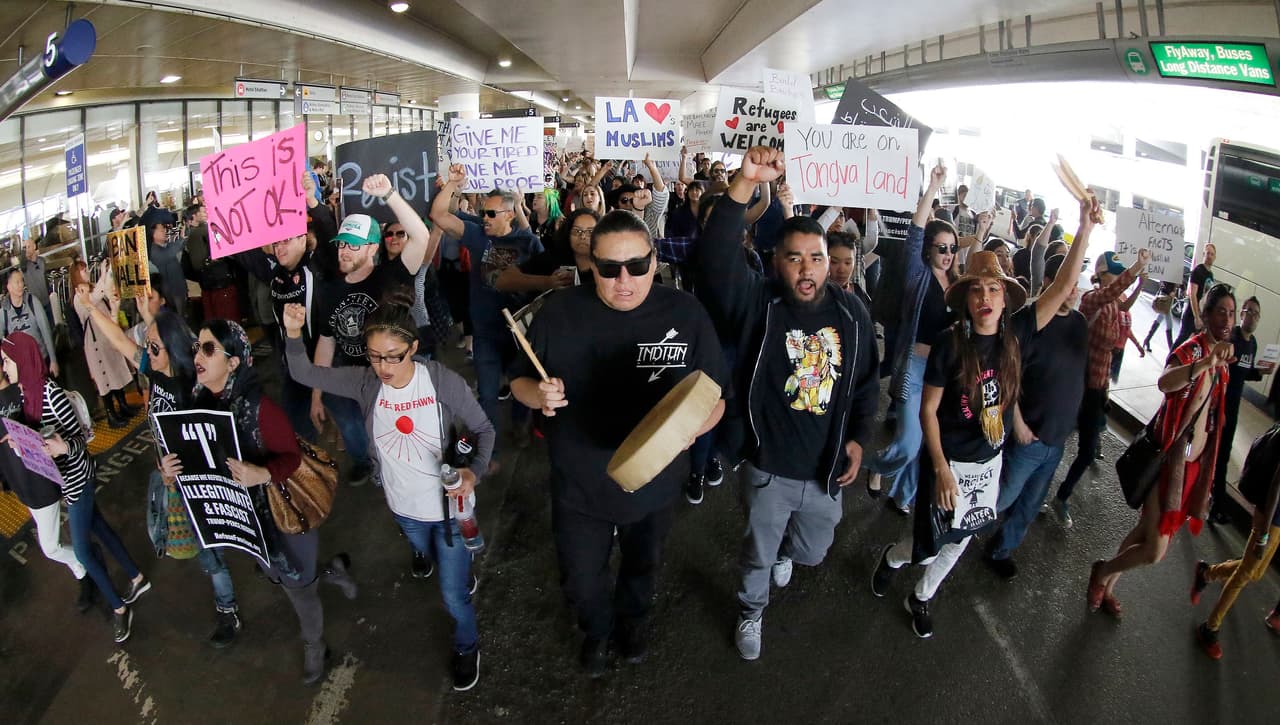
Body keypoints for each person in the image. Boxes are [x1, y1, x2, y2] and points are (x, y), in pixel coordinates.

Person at [509, 210, 728, 677]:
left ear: (655, 261)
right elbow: (519, 382)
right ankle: (596, 630)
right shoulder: (559, 311)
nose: (623, 280)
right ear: (591, 265)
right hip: (579, 485)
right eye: (608, 269)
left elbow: (716, 398)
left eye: (636, 266)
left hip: (655, 484)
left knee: (643, 566)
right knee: (581, 580)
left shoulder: (685, 314)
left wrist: (690, 430)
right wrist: (538, 396)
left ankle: (633, 622)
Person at [695, 147, 878, 660]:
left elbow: (866, 386)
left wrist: (860, 438)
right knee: (757, 554)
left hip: (826, 471)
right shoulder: (759, 303)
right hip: (768, 468)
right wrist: (744, 184)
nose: (807, 268)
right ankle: (751, 610)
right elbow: (713, 263)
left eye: (816, 258)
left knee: (815, 551)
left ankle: (786, 554)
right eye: (794, 257)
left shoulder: (853, 315)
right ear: (775, 262)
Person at [284, 294, 493, 691]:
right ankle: (453, 568)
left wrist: (474, 472)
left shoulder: (442, 382)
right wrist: (294, 334)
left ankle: (467, 645)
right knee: (425, 552)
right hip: (404, 509)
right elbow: (303, 373)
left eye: (393, 356)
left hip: (451, 512)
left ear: (413, 348)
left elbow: (484, 429)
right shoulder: (365, 382)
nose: (383, 367)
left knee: (452, 597)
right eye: (374, 355)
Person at [165, 319, 356, 683]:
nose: (198, 357)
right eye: (197, 349)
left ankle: (315, 646)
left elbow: (292, 459)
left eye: (208, 349)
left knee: (298, 587)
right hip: (246, 519)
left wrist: (261, 474)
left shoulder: (260, 408)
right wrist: (171, 469)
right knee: (278, 575)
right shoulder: (200, 403)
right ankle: (330, 572)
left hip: (283, 512)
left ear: (233, 362)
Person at [870, 248, 1027, 638]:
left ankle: (921, 597)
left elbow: (1006, 398)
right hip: (949, 462)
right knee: (928, 543)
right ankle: (892, 557)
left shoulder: (1012, 343)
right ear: (966, 300)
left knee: (960, 540)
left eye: (993, 289)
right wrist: (940, 467)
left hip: (987, 465)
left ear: (1004, 298)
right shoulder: (950, 343)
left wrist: (1086, 230)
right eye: (976, 290)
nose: (985, 298)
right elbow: (928, 412)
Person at [81, 277, 245, 647]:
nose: (147, 349)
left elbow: (217, 435)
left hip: (201, 481)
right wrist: (92, 308)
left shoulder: (195, 385)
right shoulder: (154, 371)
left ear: (170, 347)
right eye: (148, 344)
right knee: (202, 547)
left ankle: (228, 611)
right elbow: (121, 342)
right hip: (170, 477)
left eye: (153, 344)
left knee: (211, 554)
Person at [1087, 284, 1236, 619]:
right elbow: (1166, 382)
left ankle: (1108, 587)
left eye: (1231, 312)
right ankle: (1102, 571)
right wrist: (1204, 363)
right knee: (1155, 550)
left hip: (1191, 468)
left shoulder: (1224, 365)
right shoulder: (1193, 351)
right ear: (1207, 314)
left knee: (1143, 534)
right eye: (1221, 311)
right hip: (1168, 461)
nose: (1227, 318)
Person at [2, 332, 149, 643]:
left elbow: (83, 437)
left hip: (77, 478)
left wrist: (60, 448)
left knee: (82, 550)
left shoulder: (50, 393)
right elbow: (39, 435)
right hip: (65, 481)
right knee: (101, 528)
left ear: (23, 361)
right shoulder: (27, 393)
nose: (4, 367)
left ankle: (119, 608)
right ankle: (136, 577)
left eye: (7, 361)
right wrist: (23, 441)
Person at [984, 196, 1100, 578]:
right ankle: (957, 534)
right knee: (1001, 498)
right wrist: (1017, 423)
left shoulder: (1080, 325)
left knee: (1031, 504)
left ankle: (1000, 551)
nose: (1073, 291)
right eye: (1067, 285)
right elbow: (1008, 377)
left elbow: (1076, 376)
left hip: (1055, 439)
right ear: (1048, 285)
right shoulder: (1027, 325)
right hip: (1028, 436)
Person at [314, 174, 430, 487]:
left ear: (372, 248)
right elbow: (326, 341)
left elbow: (420, 236)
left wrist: (389, 194)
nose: (344, 252)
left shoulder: (392, 276)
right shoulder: (329, 290)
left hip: (388, 378)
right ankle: (366, 463)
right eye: (342, 245)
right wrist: (316, 391)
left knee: (393, 432)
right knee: (353, 428)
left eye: (353, 245)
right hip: (346, 378)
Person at [431, 165, 542, 469]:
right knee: (488, 394)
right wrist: (452, 184)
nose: (485, 218)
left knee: (521, 387)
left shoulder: (528, 243)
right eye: (484, 212)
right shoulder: (478, 235)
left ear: (509, 214)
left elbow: (546, 282)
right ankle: (487, 450)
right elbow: (439, 215)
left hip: (519, 334)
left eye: (492, 213)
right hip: (485, 333)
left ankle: (520, 426)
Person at [865, 165, 957, 514]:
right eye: (941, 247)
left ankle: (902, 496)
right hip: (914, 368)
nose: (947, 254)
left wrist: (978, 232)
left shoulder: (959, 285)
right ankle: (876, 466)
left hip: (943, 374)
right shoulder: (918, 276)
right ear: (929, 249)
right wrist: (932, 187)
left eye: (952, 248)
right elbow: (915, 233)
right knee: (906, 442)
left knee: (927, 445)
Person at [1050, 250, 1149, 528]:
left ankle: (1062, 496)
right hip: (1077, 384)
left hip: (1097, 388)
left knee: (1087, 449)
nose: (1117, 279)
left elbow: (1124, 304)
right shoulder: (1092, 299)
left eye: (1119, 274)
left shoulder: (1115, 304)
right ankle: (1037, 491)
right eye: (1113, 273)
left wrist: (1140, 282)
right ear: (1101, 274)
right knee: (1054, 442)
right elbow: (1115, 293)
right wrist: (1136, 268)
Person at [0, 363, 90, 608]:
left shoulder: (21, 395)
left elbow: (46, 432)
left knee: (50, 547)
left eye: (7, 360)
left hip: (39, 481)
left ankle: (85, 567)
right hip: (21, 485)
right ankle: (85, 565)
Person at [1191, 421, 1280, 658]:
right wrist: (1262, 535)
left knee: (1255, 572)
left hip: (1277, 521)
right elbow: (1276, 487)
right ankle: (1209, 628)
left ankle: (1207, 573)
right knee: (1244, 575)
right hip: (1270, 519)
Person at [1210, 296, 1274, 523]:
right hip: (1218, 405)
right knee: (1211, 453)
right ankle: (1214, 502)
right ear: (1242, 313)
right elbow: (1219, 370)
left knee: (1222, 455)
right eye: (1248, 311)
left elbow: (1244, 373)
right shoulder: (1232, 338)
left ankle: (1212, 501)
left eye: (1256, 313)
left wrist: (1261, 372)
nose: (1252, 316)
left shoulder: (1252, 343)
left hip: (1233, 408)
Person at [72, 263, 137, 428]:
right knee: (105, 379)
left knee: (115, 371)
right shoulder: (79, 295)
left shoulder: (90, 289)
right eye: (83, 270)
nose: (87, 272)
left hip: (106, 337)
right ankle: (111, 414)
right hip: (95, 343)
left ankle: (122, 405)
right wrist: (103, 275)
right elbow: (94, 298)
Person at [185, 203, 241, 323]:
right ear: (195, 216)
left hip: (208, 285)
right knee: (227, 321)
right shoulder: (204, 232)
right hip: (218, 283)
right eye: (203, 211)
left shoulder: (192, 236)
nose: (206, 213)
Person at [1, 268, 58, 376]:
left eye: (22, 281)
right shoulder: (3, 311)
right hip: (21, 366)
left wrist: (53, 360)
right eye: (16, 282)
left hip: (41, 358)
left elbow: (46, 331)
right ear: (8, 286)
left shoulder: (33, 301)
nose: (20, 285)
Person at [1174, 243, 1216, 349]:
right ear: (1203, 254)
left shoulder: (1210, 275)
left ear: (1215, 257)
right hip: (1191, 315)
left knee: (1192, 344)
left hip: (1202, 316)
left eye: (1212, 254)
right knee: (1182, 339)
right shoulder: (1198, 271)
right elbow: (1192, 294)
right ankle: (1169, 362)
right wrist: (1196, 317)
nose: (1209, 256)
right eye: (1208, 253)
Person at [148, 222, 188, 319]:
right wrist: (181, 239)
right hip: (171, 293)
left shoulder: (166, 246)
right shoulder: (153, 251)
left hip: (179, 289)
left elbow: (178, 246)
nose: (165, 231)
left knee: (182, 316)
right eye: (162, 230)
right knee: (177, 319)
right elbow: (169, 254)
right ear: (153, 234)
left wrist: (186, 233)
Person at [21, 236, 53, 327]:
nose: (27, 250)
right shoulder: (25, 267)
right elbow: (22, 261)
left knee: (52, 325)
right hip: (36, 304)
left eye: (29, 247)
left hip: (47, 300)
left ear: (34, 246)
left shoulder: (42, 261)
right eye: (25, 247)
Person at [1142, 281, 1179, 353]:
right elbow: (1162, 282)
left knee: (1160, 318)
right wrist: (1169, 292)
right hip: (1165, 297)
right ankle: (1171, 349)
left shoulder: (1177, 272)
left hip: (1168, 298)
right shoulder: (1169, 271)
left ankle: (1147, 339)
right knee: (1169, 324)